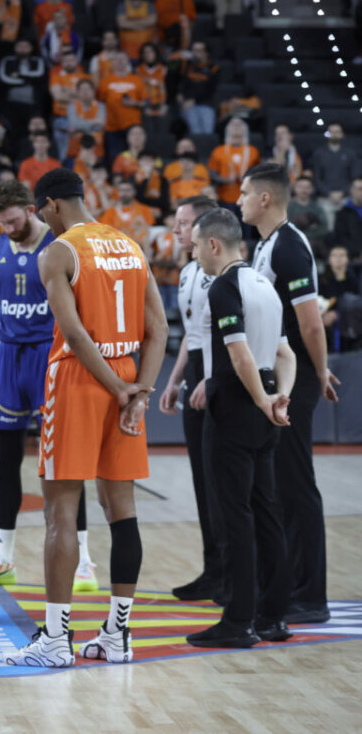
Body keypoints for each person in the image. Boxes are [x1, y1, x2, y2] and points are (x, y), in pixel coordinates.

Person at [4, 168, 168, 667]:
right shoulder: (130, 245)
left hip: (80, 381)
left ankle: (56, 639)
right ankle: (118, 634)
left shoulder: (59, 251)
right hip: (126, 375)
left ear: (51, 205)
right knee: (123, 510)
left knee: (61, 511)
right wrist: (137, 393)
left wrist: (117, 388)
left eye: (40, 211)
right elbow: (157, 329)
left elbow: (75, 336)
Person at [0, 180, 96, 591]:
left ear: (30, 209)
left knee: (65, 462)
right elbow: (1, 301)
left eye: (12, 220)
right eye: (1, 222)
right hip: (10, 357)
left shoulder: (59, 245)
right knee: (5, 460)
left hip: (51, 356)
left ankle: (84, 559)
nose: (7, 228)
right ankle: (3, 555)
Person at [186, 207, 295, 648]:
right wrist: (278, 396)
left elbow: (239, 356)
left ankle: (238, 622)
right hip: (266, 401)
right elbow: (284, 354)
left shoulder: (224, 287)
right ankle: (274, 617)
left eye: (195, 245)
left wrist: (259, 399)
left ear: (214, 245)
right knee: (267, 512)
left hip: (236, 404)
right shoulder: (264, 285)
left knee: (236, 516)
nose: (193, 254)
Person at [241, 163, 339, 624]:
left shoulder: (290, 247)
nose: (238, 200)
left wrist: (319, 374)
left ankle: (310, 595)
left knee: (297, 486)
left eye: (244, 194)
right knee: (278, 485)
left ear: (265, 199)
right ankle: (282, 584)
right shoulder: (265, 244)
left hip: (295, 378)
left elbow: (310, 321)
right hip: (278, 376)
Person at [159, 195, 224, 600]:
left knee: (222, 481)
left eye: (182, 223)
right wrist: (175, 379)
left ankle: (235, 572)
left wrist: (212, 378)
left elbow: (226, 334)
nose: (176, 230)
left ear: (203, 227)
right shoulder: (186, 273)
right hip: (197, 370)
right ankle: (212, 567)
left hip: (221, 372)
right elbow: (193, 335)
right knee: (202, 479)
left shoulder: (223, 272)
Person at [209, 118, 260, 207]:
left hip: (248, 198)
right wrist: (225, 179)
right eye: (233, 124)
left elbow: (259, 173)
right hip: (224, 198)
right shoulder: (218, 151)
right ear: (227, 129)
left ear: (246, 129)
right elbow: (211, 174)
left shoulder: (253, 151)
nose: (236, 127)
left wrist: (248, 179)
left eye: (240, 124)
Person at [310, 124, 362, 208]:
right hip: (325, 199)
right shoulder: (318, 154)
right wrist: (328, 193)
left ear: (342, 134)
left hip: (346, 198)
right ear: (327, 134)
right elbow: (316, 177)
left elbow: (355, 177)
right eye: (331, 132)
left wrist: (343, 192)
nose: (334, 134)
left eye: (337, 131)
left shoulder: (351, 154)